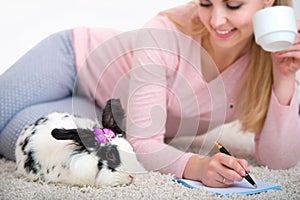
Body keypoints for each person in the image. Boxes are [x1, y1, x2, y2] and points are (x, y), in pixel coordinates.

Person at [0, 0, 299, 188]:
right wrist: (195, 166)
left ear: (268, 3)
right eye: (206, 3)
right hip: (73, 61)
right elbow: (146, 143)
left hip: (106, 114)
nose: (217, 20)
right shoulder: (164, 33)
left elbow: (279, 161)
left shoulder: (264, 61)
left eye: (233, 5)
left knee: (17, 139)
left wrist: (286, 76)